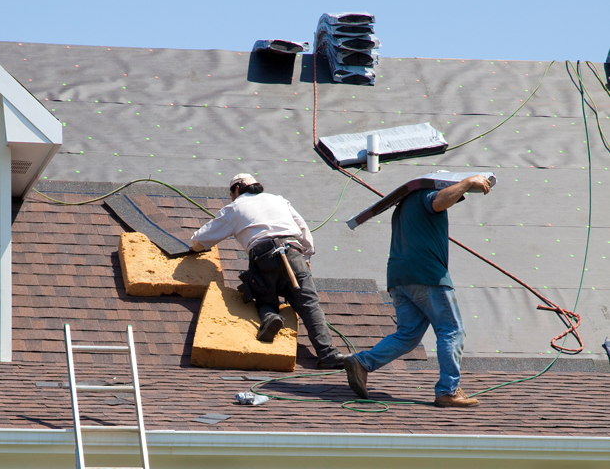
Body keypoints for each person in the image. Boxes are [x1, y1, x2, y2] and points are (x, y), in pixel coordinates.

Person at [343, 174, 492, 407]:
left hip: (399, 278)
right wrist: (466, 182)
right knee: (452, 330)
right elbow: (439, 201)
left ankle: (362, 363)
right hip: (427, 276)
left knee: (408, 335)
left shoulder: (403, 206)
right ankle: (448, 391)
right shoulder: (426, 195)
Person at [191, 173, 345, 369]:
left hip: (263, 256)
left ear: (236, 189)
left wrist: (193, 247)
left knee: (264, 297)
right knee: (309, 304)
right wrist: (307, 256)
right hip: (292, 251)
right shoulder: (278, 200)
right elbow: (303, 229)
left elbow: (201, 240)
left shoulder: (234, 207)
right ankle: (328, 354)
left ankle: (270, 316)